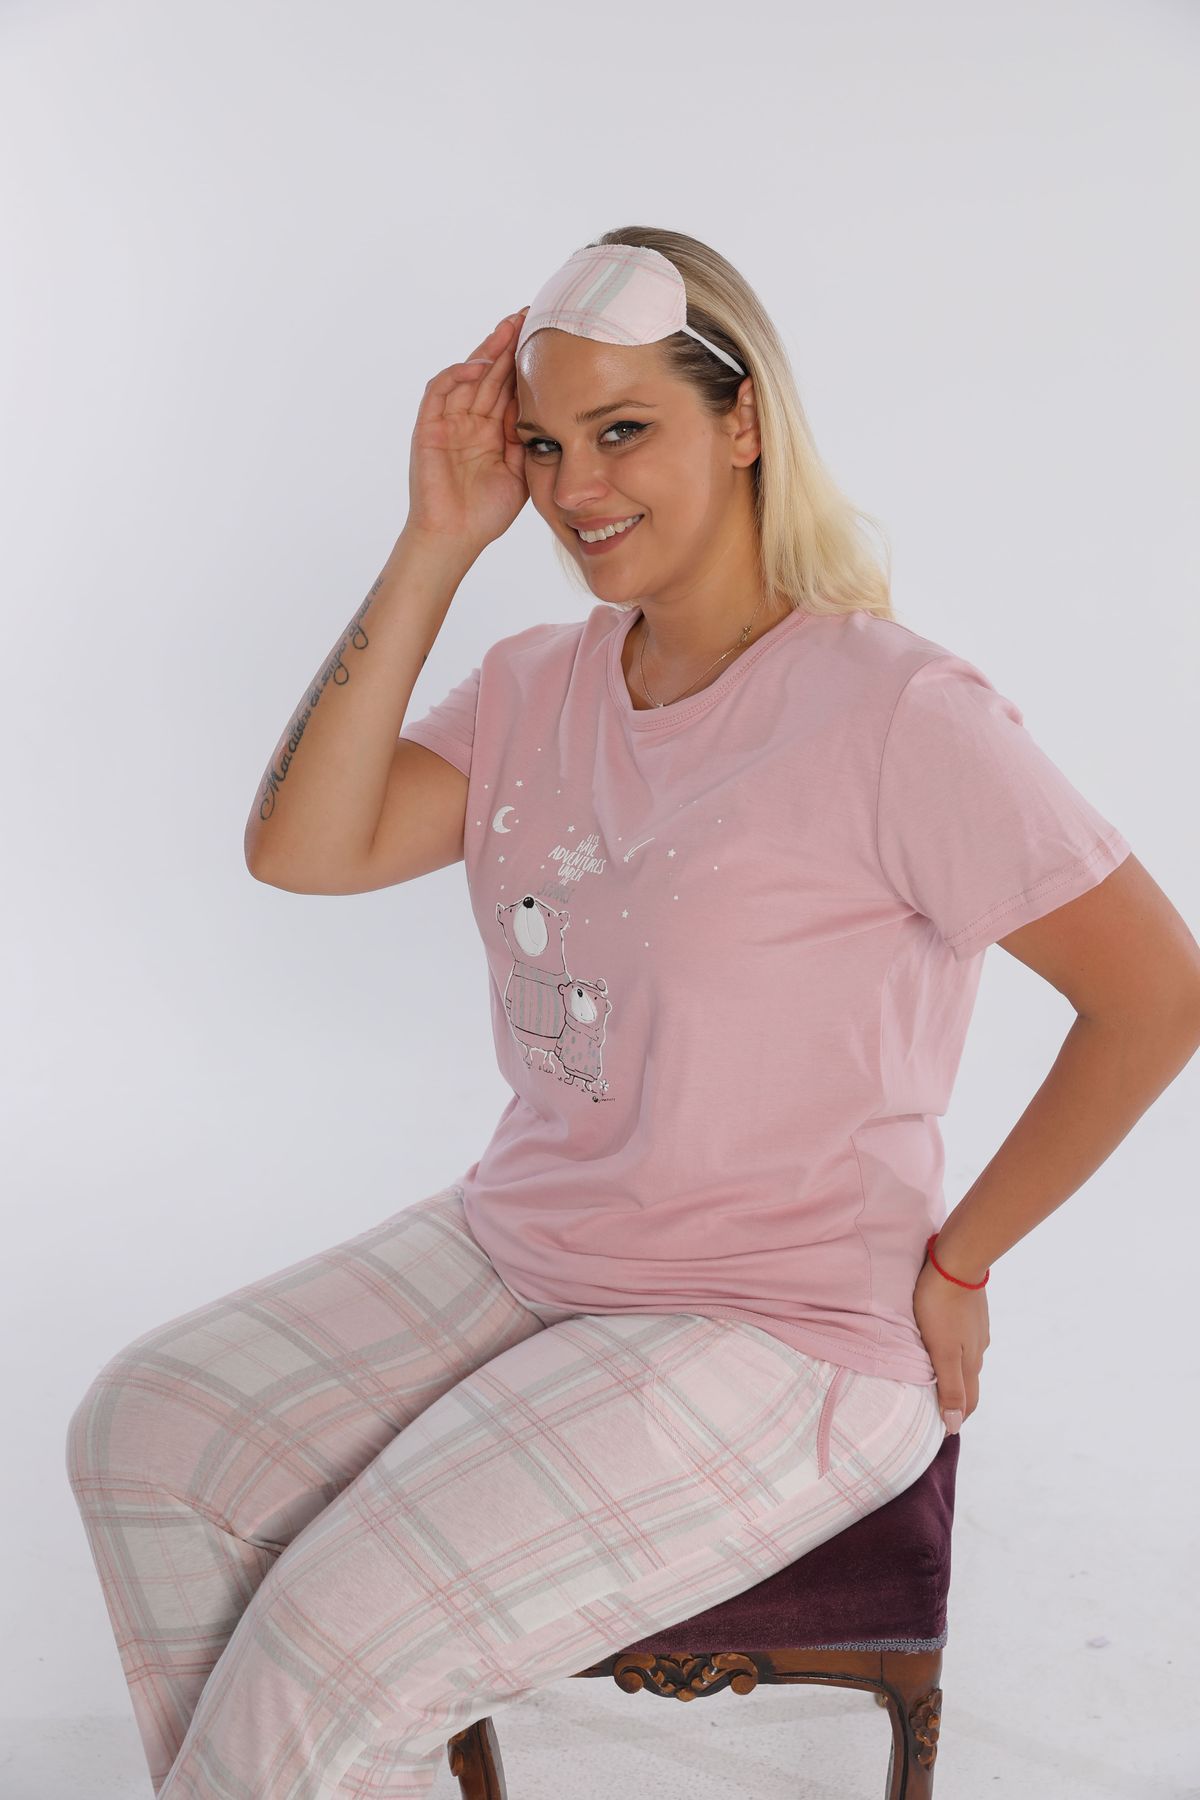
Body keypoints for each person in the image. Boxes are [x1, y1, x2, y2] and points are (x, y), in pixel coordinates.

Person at [65, 229, 1200, 1800]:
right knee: (149, 1431)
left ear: (743, 423)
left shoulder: (896, 711)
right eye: (544, 444)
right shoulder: (535, 684)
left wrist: (962, 1259)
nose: (574, 485)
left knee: (326, 1645)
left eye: (623, 430)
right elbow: (302, 851)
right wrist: (436, 539)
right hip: (526, 1244)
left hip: (782, 1328)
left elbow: (1156, 995)